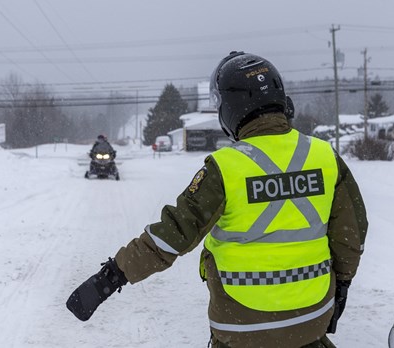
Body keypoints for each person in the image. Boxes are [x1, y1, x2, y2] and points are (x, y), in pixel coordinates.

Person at [67, 51, 368, 348]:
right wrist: (341, 286)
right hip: (311, 318)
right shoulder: (325, 157)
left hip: (242, 327)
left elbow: (170, 237)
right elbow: (351, 234)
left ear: (230, 108)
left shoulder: (225, 168)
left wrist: (110, 277)